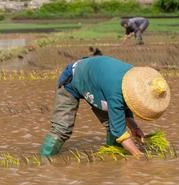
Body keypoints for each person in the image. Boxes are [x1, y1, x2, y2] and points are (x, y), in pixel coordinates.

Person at [40, 55, 170, 158]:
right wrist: (138, 155)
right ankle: (43, 161)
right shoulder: (115, 92)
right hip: (71, 80)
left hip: (96, 83)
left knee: (111, 124)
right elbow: (119, 131)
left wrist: (134, 127)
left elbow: (127, 102)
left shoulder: (133, 78)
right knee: (62, 128)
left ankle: (112, 154)